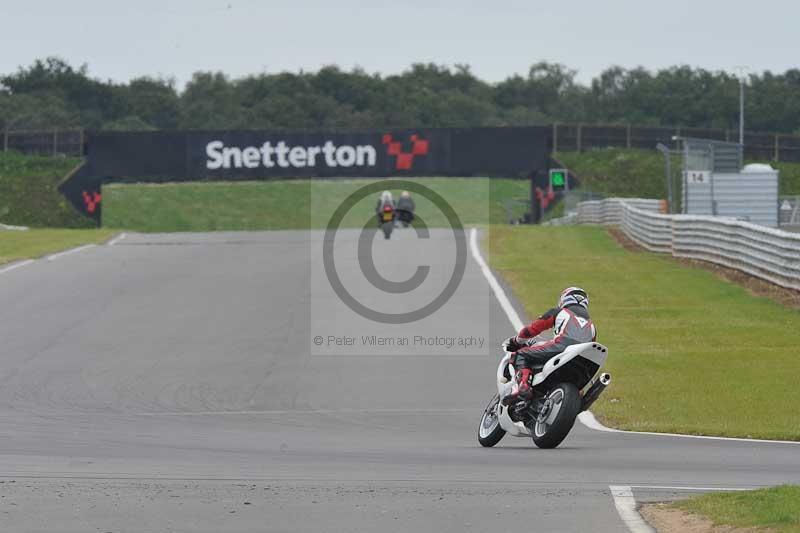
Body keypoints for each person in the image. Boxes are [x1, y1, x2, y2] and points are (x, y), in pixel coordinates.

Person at [501, 287, 596, 405]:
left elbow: (532, 329)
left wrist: (517, 341)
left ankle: (523, 386)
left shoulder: (559, 312)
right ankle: (578, 398)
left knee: (520, 354)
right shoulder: (592, 326)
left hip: (562, 348)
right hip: (583, 361)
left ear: (565, 299)